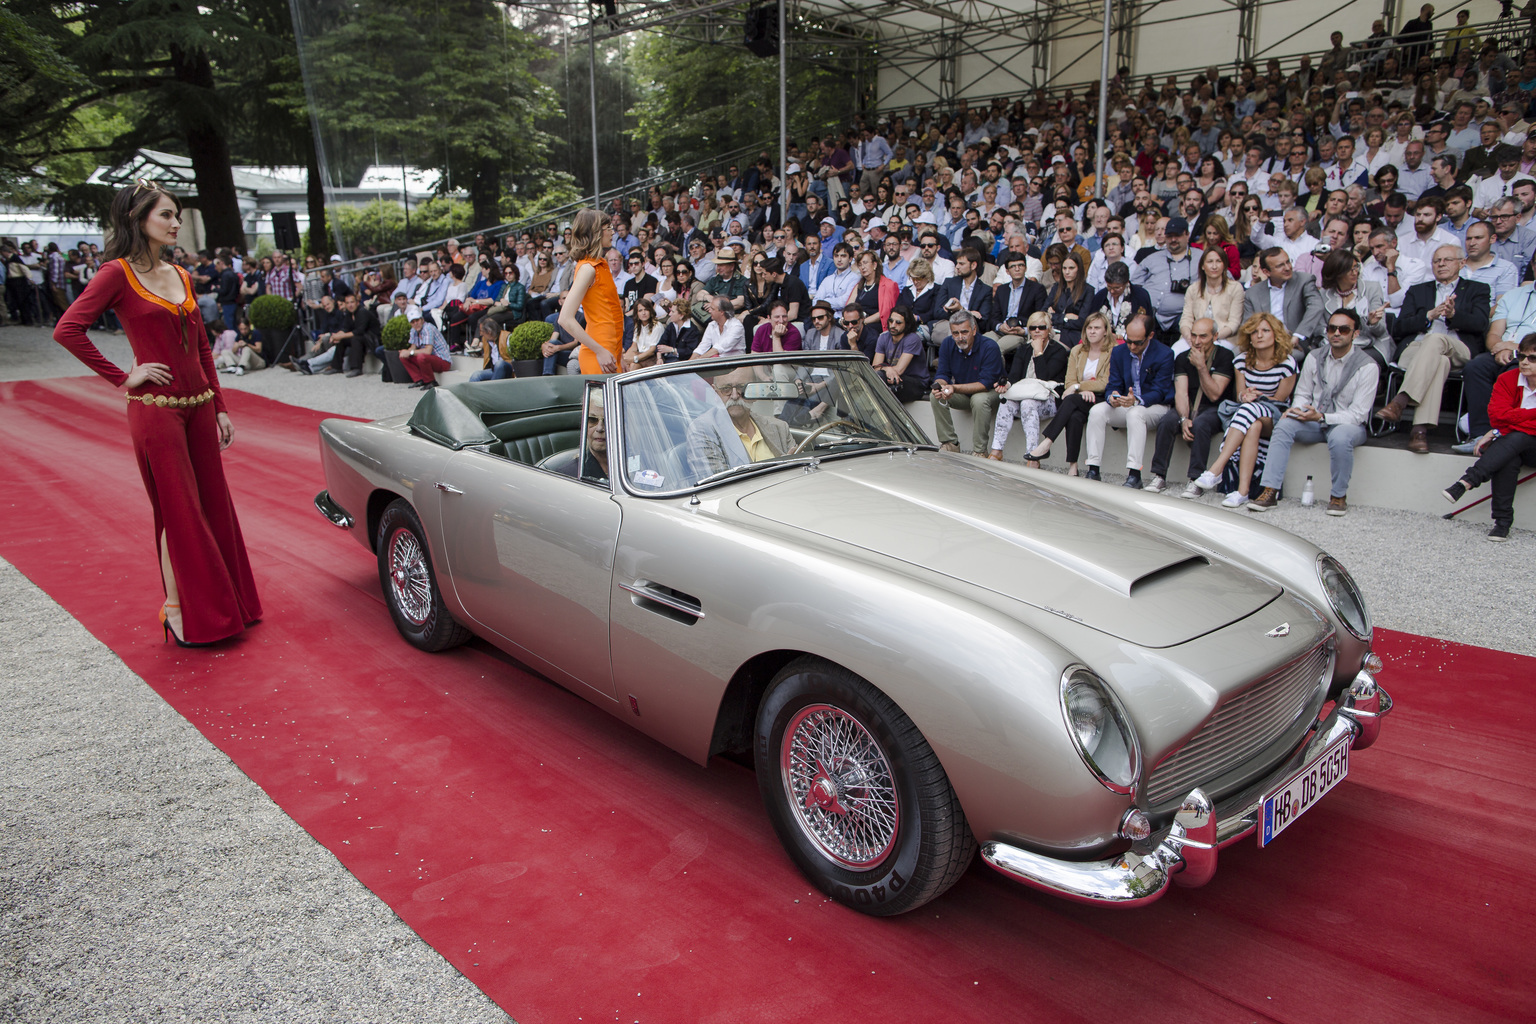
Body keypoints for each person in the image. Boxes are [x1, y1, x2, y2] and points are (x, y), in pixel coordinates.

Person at [51, 181, 261, 646]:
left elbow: (204, 348)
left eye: (177, 215)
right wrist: (123, 377)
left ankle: (231, 606)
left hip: (201, 409)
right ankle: (177, 608)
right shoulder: (115, 274)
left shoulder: (180, 275)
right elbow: (68, 330)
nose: (175, 223)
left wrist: (220, 405)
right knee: (179, 512)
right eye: (166, 215)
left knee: (215, 508)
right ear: (136, 218)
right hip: (155, 412)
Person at [1247, 309, 1380, 516]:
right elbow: (1302, 394)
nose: (1336, 333)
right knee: (1284, 425)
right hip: (1314, 420)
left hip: (1348, 425)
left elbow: (1358, 414)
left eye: (1343, 329)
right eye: (1331, 328)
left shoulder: (1368, 366)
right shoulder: (1314, 357)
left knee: (1340, 436)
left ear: (1355, 334)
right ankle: (1270, 490)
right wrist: (1298, 410)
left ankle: (1338, 496)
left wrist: (1323, 417)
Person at [1379, 244, 1492, 452]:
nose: (1441, 264)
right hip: (1416, 349)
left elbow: (1481, 324)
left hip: (1459, 348)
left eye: (1447, 260)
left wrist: (1452, 316)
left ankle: (1400, 401)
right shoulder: (1419, 291)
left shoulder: (1478, 290)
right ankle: (1419, 432)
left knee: (1437, 341)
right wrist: (1428, 316)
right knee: (1439, 361)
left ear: (1462, 263)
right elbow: (1400, 327)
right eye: (1436, 261)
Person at [1190, 312, 1299, 507]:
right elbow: (1239, 395)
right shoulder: (1241, 360)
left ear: (1276, 335)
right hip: (1249, 416)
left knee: (1251, 411)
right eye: (1254, 331)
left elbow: (1280, 401)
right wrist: (1245, 396)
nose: (1259, 335)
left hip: (1275, 417)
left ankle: (1216, 469)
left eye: (1265, 331)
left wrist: (1256, 399)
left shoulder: (1287, 364)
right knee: (1253, 424)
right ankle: (1242, 492)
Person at [1442, 334, 1536, 541]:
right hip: (1516, 445)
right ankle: (1502, 524)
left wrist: (1500, 430)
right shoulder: (1507, 379)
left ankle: (1468, 480)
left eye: (1532, 358)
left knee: (1516, 438)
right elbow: (1497, 416)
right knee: (1511, 453)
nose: (1524, 362)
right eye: (1521, 357)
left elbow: (1504, 421)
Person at [1145, 316, 1236, 495]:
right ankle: (1159, 475)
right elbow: (1181, 392)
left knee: (1201, 424)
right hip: (1188, 406)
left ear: (1215, 336)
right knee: (1167, 421)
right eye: (1193, 336)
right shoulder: (1182, 357)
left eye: (1203, 336)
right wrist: (1184, 418)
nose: (1196, 341)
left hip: (1215, 408)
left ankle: (1196, 479)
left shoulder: (1225, 356)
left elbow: (1215, 393)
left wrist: (1201, 366)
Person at [1082, 315, 1174, 486]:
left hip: (1155, 406)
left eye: (1137, 343)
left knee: (1136, 413)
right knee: (1097, 411)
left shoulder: (1165, 354)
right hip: (1127, 404)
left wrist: (1137, 399)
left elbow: (1160, 391)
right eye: (1128, 340)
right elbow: (1113, 384)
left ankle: (1134, 474)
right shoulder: (1119, 351)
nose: (1132, 346)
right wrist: (1113, 397)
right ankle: (1093, 469)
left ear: (1150, 336)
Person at [1027, 311, 1116, 476]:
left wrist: (1079, 387)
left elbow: (1105, 383)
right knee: (1074, 415)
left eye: (1097, 328)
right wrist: (1080, 389)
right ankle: (1073, 467)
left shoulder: (1113, 351)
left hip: (1102, 398)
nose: (1092, 331)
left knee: (1071, 400)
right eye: (1089, 327)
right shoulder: (1077, 350)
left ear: (1105, 331)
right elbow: (1068, 382)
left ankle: (1047, 442)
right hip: (1081, 398)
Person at [989, 309, 1070, 462]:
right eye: (1033, 328)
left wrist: (1039, 353)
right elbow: (1014, 376)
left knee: (1028, 403)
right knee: (1006, 401)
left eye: (1041, 327)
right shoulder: (1024, 349)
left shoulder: (1058, 350)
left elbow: (1044, 378)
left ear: (1049, 329)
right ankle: (997, 450)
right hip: (1025, 394)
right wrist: (1006, 384)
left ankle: (1033, 455)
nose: (1037, 331)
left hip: (1049, 399)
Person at [686, 365, 794, 475]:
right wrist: (781, 468)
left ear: (755, 392)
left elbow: (802, 472)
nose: (734, 395)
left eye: (742, 388)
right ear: (715, 393)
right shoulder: (702, 430)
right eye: (726, 389)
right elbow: (718, 483)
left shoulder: (779, 427)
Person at [557, 209, 623, 375]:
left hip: (611, 351)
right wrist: (599, 350)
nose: (612, 232)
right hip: (600, 353)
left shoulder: (600, 263)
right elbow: (565, 319)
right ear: (596, 232)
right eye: (608, 228)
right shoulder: (588, 268)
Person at [930, 311, 1003, 454]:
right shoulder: (948, 343)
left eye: (964, 332)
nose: (960, 337)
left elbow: (984, 384)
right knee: (935, 396)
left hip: (992, 392)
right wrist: (939, 386)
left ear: (974, 330)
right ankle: (950, 443)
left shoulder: (990, 347)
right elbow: (943, 373)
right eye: (955, 333)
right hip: (964, 392)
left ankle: (980, 451)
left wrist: (953, 387)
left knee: (979, 399)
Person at [1242, 247, 1325, 357]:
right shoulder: (1252, 293)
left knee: (1288, 356)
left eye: (1288, 262)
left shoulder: (1304, 280)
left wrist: (1298, 335)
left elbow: (1316, 306)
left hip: (1293, 342)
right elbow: (1248, 324)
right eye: (1280, 265)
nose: (1287, 268)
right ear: (1266, 272)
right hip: (1261, 340)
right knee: (1235, 354)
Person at [1179, 245, 1244, 350]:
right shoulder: (1193, 289)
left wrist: (1212, 338)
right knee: (1175, 352)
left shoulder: (1235, 288)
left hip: (1223, 338)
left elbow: (1234, 323)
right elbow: (1186, 319)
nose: (1214, 266)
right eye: (1210, 262)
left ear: (1224, 265)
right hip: (1194, 338)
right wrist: (1190, 337)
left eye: (1218, 261)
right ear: (1203, 266)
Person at [872, 306, 929, 402]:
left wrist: (885, 370)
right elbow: (875, 367)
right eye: (891, 321)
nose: (893, 325)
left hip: (916, 383)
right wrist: (887, 368)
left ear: (907, 324)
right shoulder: (883, 337)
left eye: (898, 322)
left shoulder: (913, 339)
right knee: (876, 377)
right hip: (893, 379)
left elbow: (899, 370)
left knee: (881, 377)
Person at [399, 304, 452, 389]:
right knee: (403, 356)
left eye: (417, 320)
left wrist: (410, 352)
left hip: (443, 361)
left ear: (422, 320)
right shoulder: (413, 330)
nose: (416, 323)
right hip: (430, 359)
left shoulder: (428, 328)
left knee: (422, 356)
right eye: (413, 322)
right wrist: (406, 352)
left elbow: (428, 351)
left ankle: (430, 381)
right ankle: (419, 379)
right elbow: (413, 347)